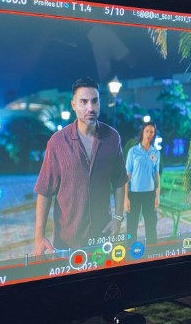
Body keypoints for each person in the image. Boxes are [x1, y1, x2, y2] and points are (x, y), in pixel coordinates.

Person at [34, 77, 128, 255]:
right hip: (67, 240)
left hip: (102, 237)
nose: (90, 108)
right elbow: (45, 191)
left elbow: (120, 181)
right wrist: (39, 237)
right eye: (83, 102)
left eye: (94, 101)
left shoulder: (112, 138)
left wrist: (117, 217)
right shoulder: (57, 142)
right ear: (73, 105)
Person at [124, 122, 160, 245]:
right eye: (147, 131)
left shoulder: (155, 152)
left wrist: (157, 196)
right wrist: (125, 198)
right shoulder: (133, 151)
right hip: (134, 194)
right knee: (131, 226)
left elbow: (156, 176)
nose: (149, 134)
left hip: (150, 194)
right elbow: (127, 175)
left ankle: (153, 251)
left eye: (152, 132)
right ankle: (131, 251)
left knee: (151, 226)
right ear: (143, 133)